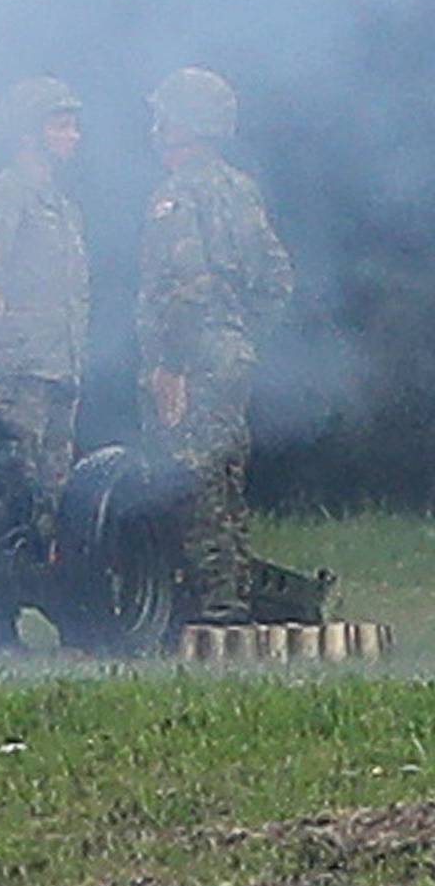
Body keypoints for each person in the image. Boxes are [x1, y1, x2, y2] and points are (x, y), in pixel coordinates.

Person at [137, 66, 292, 624]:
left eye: (164, 117)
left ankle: (214, 608)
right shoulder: (240, 189)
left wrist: (174, 366)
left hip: (192, 359)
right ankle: (231, 597)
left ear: (184, 125)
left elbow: (187, 285)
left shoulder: (177, 196)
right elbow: (277, 278)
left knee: (192, 482)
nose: (156, 129)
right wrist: (241, 335)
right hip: (229, 357)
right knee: (225, 481)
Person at [0, 75, 89, 505]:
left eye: (73, 126)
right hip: (18, 370)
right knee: (11, 489)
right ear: (29, 134)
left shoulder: (62, 206)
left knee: (53, 490)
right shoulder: (5, 192)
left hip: (57, 367)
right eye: (61, 126)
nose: (73, 136)